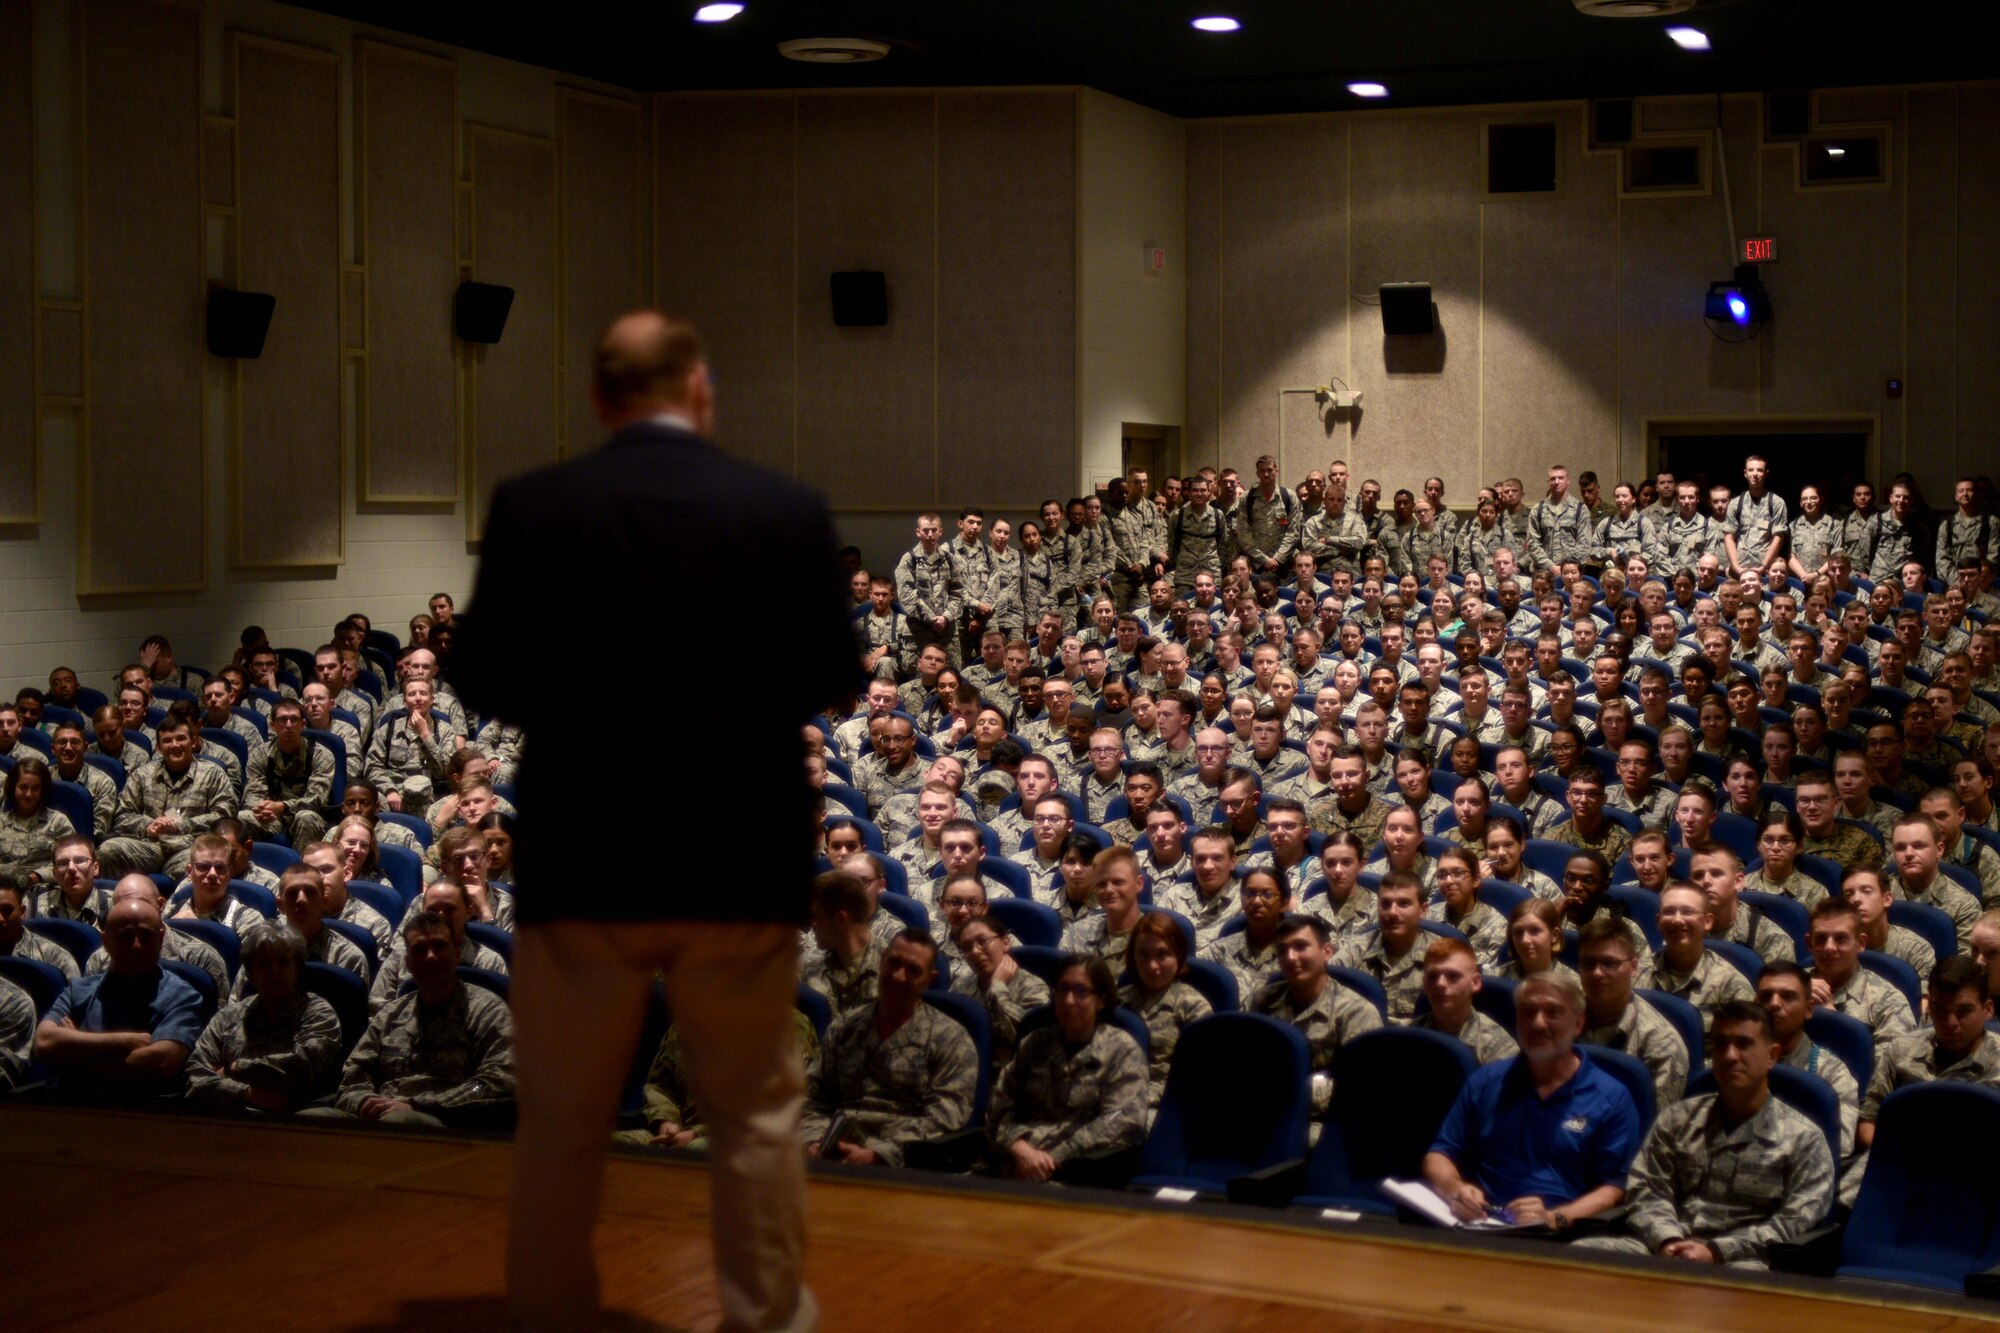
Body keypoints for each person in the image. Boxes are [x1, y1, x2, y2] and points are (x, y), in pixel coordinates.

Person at [456, 312, 855, 1333]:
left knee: (560, 1123)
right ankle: (764, 1318)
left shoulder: (536, 506)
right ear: (702, 390)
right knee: (755, 1121)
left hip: (587, 858)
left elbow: (483, 677)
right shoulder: (782, 508)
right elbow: (833, 678)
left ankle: (550, 1316)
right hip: (737, 857)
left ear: (600, 398)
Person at [1575, 1001, 1833, 1268]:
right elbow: (1646, 1188)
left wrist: (1716, 1251)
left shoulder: (1804, 1139)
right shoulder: (1678, 1119)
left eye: (1743, 1044)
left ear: (1772, 1056)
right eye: (1721, 1045)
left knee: (1743, 1283)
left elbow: (1794, 1221)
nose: (1730, 1055)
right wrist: (1668, 1240)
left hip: (1741, 1259)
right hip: (1665, 1248)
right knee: (1583, 1253)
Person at [1424, 972, 1643, 1231]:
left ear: (1578, 1023)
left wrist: (1556, 1218)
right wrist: (1457, 1190)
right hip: (1481, 1223)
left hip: (1562, 1236)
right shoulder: (1486, 1082)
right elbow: (1438, 1156)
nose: (1538, 1024)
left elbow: (1616, 1187)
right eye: (1528, 1012)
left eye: (1553, 1013)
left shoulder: (1611, 1097)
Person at [304, 909, 515, 1129]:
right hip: (380, 1116)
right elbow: (355, 1074)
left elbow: (497, 1081)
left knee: (396, 1122)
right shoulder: (391, 1014)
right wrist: (364, 1102)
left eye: (439, 946)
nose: (431, 956)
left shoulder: (487, 1009)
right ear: (409, 962)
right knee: (308, 1120)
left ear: (457, 953)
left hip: (448, 1122)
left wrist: (417, 1105)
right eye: (420, 950)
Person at [987, 954, 1150, 1182]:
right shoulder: (1035, 1043)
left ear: (1101, 1000)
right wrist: (1018, 1147)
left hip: (1075, 1173)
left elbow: (1120, 1123)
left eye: (1081, 991)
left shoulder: (1121, 1050)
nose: (1068, 1000)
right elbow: (999, 1106)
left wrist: (1050, 1159)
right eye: (1062, 990)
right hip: (1012, 1163)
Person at [33, 894, 205, 1102]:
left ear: (161, 938)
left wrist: (74, 1050)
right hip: (71, 1105)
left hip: (143, 1114)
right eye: (125, 936)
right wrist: (125, 1041)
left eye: (146, 935)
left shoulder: (184, 997)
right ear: (105, 941)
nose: (136, 946)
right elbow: (44, 1043)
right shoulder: (79, 990)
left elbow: (161, 1062)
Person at [184, 919, 344, 1112]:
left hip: (297, 1115)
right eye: (264, 963)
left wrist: (234, 1068)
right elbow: (195, 1074)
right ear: (251, 973)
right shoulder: (229, 1015)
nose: (274, 971)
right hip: (232, 1112)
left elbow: (302, 1066)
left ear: (297, 969)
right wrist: (246, 1092)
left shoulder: (317, 1011)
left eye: (283, 962)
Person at [1858, 955, 2000, 1150]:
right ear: (1929, 1007)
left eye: (1963, 1011)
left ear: (1987, 1009)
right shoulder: (1901, 1050)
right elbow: (1868, 1121)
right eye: (1940, 1009)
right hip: (1897, 1159)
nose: (1951, 1023)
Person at [1118, 910, 1214, 1111]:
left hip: (1161, 1108)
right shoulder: (1119, 1001)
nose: (1152, 966)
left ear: (1178, 955)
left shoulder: (1194, 1007)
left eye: (1162, 955)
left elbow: (1195, 1079)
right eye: (1143, 955)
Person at [1414, 936, 1518, 1064]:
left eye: (1453, 976)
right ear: (1424, 984)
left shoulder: (1498, 1047)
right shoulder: (1410, 1037)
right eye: (1432, 976)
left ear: (1475, 982)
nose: (1440, 984)